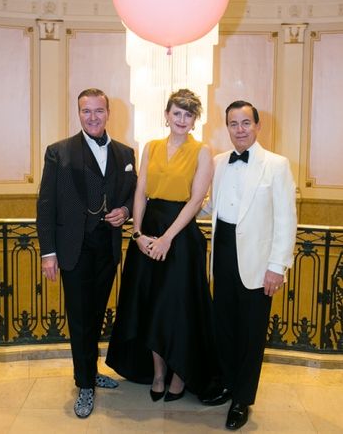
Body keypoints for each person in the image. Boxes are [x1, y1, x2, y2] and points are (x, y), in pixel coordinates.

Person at [106, 89, 217, 401]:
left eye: (188, 114)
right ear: (167, 115)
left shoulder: (203, 151)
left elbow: (196, 200)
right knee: (151, 306)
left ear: (195, 120)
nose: (182, 119)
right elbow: (140, 192)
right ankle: (157, 374)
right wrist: (138, 234)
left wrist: (167, 238)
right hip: (148, 229)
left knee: (178, 310)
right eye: (177, 113)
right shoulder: (151, 147)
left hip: (180, 236)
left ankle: (180, 376)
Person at [36, 88, 137, 418]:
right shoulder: (58, 152)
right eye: (86, 111)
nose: (93, 117)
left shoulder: (125, 153)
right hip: (72, 249)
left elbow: (133, 194)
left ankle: (90, 372)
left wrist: (124, 210)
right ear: (78, 114)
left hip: (106, 248)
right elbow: (46, 205)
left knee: (95, 314)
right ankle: (84, 384)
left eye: (98, 110)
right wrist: (48, 252)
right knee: (79, 317)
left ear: (109, 113)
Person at [199, 100, 297, 430]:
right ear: (226, 127)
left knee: (251, 333)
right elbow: (212, 207)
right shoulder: (218, 162)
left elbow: (286, 219)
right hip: (223, 253)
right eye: (232, 124)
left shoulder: (277, 164)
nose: (239, 130)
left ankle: (242, 398)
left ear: (258, 126)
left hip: (258, 262)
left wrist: (277, 266)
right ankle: (227, 383)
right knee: (223, 326)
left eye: (245, 123)